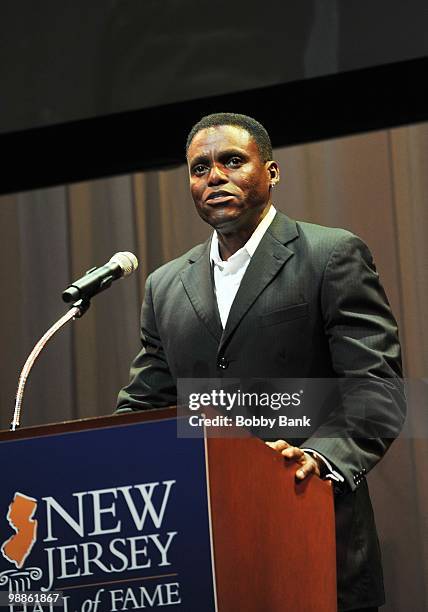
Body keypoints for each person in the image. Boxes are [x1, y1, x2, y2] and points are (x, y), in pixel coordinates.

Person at [117, 113, 405, 611]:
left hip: (314, 538)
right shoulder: (164, 286)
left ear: (271, 172)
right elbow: (146, 407)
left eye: (232, 161)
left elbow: (375, 389)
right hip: (205, 556)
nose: (215, 177)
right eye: (200, 168)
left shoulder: (330, 255)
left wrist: (319, 458)